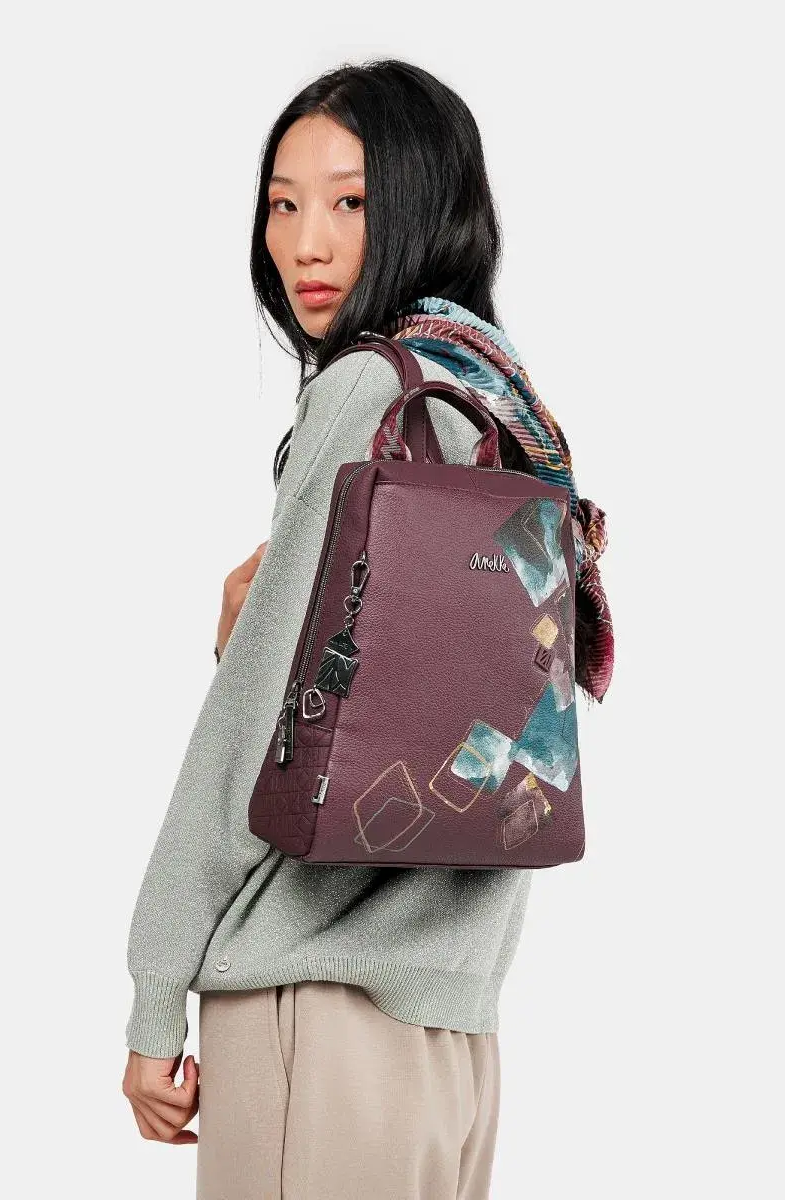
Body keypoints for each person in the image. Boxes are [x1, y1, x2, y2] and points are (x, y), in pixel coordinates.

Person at [121, 58, 613, 1200]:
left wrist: (154, 989)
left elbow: (256, 731)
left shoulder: (364, 395)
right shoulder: (501, 409)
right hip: (453, 1035)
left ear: (426, 206)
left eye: (350, 202)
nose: (306, 243)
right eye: (282, 204)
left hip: (312, 1009)